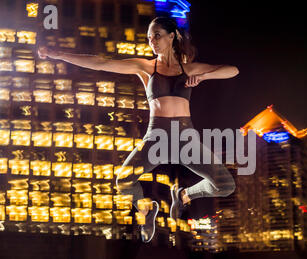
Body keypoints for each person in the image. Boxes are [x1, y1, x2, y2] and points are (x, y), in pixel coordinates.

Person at [38, 16, 238, 243]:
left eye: (157, 36)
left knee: (225, 185)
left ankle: (183, 194)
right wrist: (59, 54)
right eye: (149, 37)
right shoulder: (145, 67)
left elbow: (233, 70)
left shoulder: (189, 68)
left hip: (186, 138)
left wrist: (203, 76)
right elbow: (101, 62)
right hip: (157, 137)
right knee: (123, 180)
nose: (152, 41)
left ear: (171, 36)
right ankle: (147, 208)